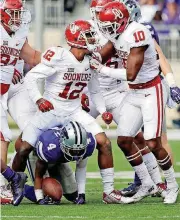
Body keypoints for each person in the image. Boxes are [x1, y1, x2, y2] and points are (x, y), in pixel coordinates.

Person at [11, 19, 129, 204]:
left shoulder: (91, 61)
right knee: (24, 148)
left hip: (74, 110)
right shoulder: (59, 56)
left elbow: (95, 90)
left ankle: (108, 191)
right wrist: (39, 99)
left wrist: (103, 110)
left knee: (104, 143)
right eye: (88, 35)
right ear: (76, 38)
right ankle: (14, 183)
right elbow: (31, 77)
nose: (93, 38)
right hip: (51, 110)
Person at [89, 1, 179, 204]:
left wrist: (101, 69)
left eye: (110, 26)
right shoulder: (117, 33)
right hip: (134, 93)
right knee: (124, 140)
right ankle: (147, 184)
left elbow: (130, 74)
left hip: (150, 91)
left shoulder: (138, 33)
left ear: (123, 21)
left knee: (153, 142)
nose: (107, 30)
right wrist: (86, 58)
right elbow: (102, 54)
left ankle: (172, 185)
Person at [0, 0, 41, 205]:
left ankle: (10, 180)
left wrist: (61, 59)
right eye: (12, 13)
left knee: (32, 131)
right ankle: (10, 179)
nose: (18, 17)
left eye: (19, 13)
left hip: (11, 86)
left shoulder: (18, 27)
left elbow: (31, 56)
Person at [34, 121, 96, 204]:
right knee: (53, 195)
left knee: (72, 195)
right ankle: (24, 188)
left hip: (59, 158)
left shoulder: (88, 143)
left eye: (79, 150)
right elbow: (39, 175)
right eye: (72, 151)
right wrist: (39, 198)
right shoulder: (48, 147)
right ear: (62, 143)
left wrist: (81, 194)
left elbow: (81, 168)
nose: (76, 155)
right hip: (37, 157)